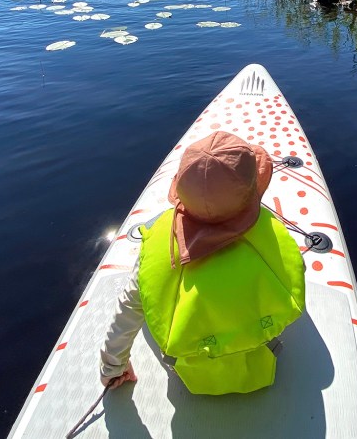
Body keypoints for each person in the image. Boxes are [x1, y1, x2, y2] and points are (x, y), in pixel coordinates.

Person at [99, 131, 306, 395]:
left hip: (190, 372)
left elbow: (128, 308)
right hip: (263, 355)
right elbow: (296, 270)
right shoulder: (273, 232)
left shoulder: (156, 240)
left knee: (145, 295)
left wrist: (112, 367)